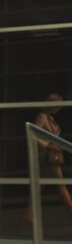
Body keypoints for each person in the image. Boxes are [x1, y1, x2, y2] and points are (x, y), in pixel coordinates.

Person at [24, 93, 72, 224]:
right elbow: (33, 135)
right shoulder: (42, 117)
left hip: (52, 155)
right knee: (61, 184)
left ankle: (28, 215)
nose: (59, 109)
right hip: (46, 156)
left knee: (40, 186)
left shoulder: (50, 118)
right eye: (58, 105)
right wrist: (48, 146)